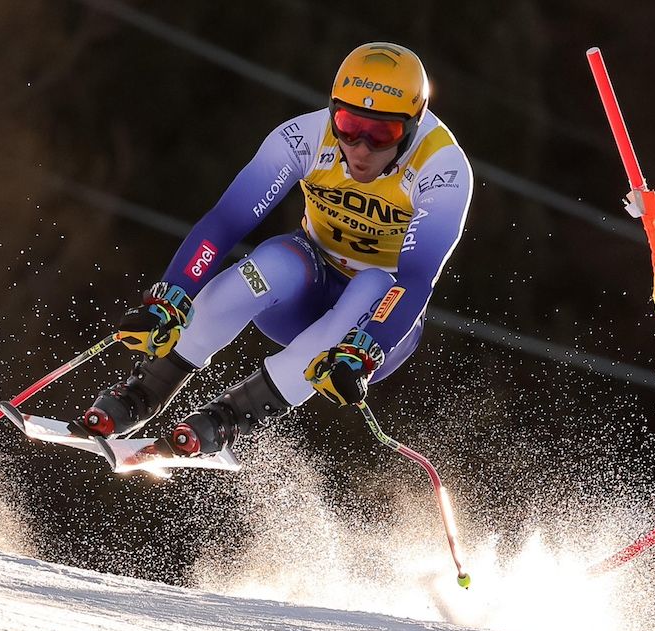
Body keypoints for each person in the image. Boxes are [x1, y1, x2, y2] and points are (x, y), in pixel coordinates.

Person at [78, 41, 473, 458]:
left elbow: (415, 277)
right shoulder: (304, 137)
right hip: (305, 287)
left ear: (413, 124)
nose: (360, 147)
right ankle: (143, 391)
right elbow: (227, 220)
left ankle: (226, 419)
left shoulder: (442, 169)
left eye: (381, 134)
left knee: (374, 282)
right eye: (348, 124)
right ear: (332, 110)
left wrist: (366, 349)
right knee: (275, 261)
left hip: (377, 323)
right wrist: (172, 294)